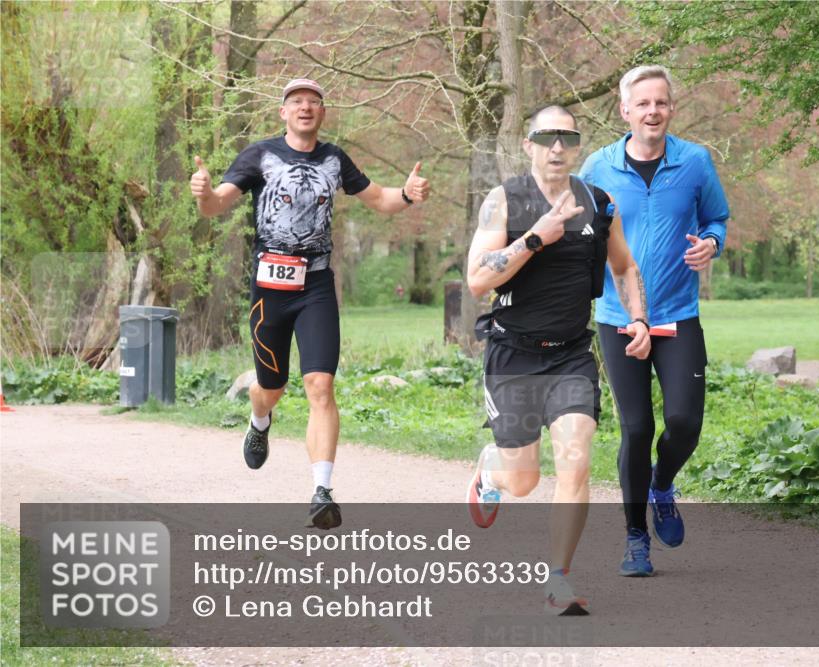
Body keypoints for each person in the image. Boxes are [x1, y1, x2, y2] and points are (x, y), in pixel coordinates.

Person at [189, 78, 430, 528]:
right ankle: (259, 419)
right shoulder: (259, 155)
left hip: (316, 285)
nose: (305, 107)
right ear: (283, 112)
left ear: (322, 112)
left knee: (320, 385)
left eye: (313, 102)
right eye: (296, 101)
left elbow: (379, 198)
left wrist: (406, 194)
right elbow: (217, 205)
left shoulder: (334, 159)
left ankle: (322, 491)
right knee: (271, 388)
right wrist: (204, 193)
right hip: (269, 289)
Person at [465, 105, 651, 615]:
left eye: (567, 138)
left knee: (576, 460)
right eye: (546, 137)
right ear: (528, 144)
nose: (556, 148)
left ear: (577, 146)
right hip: (513, 356)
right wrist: (534, 238)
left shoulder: (599, 203)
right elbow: (477, 279)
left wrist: (638, 318)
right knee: (523, 481)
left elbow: (623, 267)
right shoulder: (504, 201)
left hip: (571, 356)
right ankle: (491, 470)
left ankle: (557, 581)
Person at [579, 65, 729, 576]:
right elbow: (575, 229)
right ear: (625, 110)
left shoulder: (695, 162)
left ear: (672, 108)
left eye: (661, 102)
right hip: (618, 317)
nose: (652, 111)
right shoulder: (597, 168)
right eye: (642, 103)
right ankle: (635, 538)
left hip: (678, 314)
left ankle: (662, 485)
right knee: (637, 427)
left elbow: (716, 219)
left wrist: (711, 243)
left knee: (684, 421)